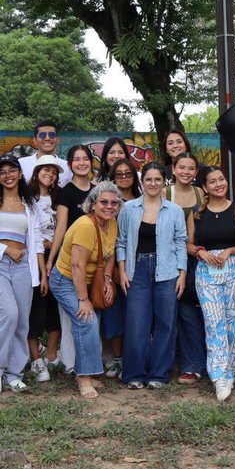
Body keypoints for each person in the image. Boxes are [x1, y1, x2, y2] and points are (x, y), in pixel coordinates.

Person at [0, 154, 48, 396]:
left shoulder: (30, 204)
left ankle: (14, 374)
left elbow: (36, 241)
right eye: (3, 171)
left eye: (12, 170)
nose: (8, 175)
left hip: (24, 267)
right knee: (8, 313)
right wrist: (5, 249)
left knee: (22, 320)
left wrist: (43, 273)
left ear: (20, 173)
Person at [117, 162, 187, 390]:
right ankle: (134, 374)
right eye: (148, 179)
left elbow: (180, 243)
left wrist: (182, 274)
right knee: (137, 323)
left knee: (166, 324)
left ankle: (159, 374)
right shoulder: (128, 208)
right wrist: (122, 270)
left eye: (158, 179)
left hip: (167, 270)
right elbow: (121, 241)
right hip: (136, 270)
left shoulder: (174, 210)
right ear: (142, 181)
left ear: (164, 181)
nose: (153, 183)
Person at [50, 182, 120, 399]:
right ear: (93, 204)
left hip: (90, 281)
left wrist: (108, 279)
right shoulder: (85, 225)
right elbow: (77, 265)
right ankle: (84, 377)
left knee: (91, 323)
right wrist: (83, 299)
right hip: (66, 280)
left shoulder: (111, 223)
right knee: (86, 320)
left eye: (114, 203)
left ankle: (86, 370)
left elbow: (109, 255)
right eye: (104, 202)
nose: (109, 206)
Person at [189, 165, 235, 402]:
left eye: (221, 179)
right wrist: (200, 253)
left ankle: (230, 373)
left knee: (234, 322)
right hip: (207, 271)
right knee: (214, 323)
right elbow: (189, 243)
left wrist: (229, 251)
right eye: (212, 181)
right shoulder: (196, 214)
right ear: (204, 187)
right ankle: (218, 376)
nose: (219, 184)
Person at [166, 152, 206, 384]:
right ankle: (170, 363)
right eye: (182, 167)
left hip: (194, 258)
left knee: (187, 308)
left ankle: (194, 363)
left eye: (191, 168)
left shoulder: (202, 193)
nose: (186, 172)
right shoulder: (164, 192)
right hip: (167, 258)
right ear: (173, 168)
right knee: (171, 311)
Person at [100, 158, 141, 379]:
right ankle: (117, 359)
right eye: (119, 174)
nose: (124, 177)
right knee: (113, 315)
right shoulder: (108, 202)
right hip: (112, 268)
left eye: (128, 173)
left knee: (135, 317)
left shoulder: (144, 201)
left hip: (138, 268)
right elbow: (111, 239)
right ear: (112, 178)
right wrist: (114, 269)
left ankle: (134, 358)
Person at [28, 160, 64, 383]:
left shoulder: (58, 198)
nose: (49, 174)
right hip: (33, 260)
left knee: (55, 307)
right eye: (45, 170)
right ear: (36, 172)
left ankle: (51, 355)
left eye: (53, 172)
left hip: (58, 258)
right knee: (34, 309)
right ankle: (35, 359)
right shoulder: (27, 198)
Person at [18, 119, 70, 187]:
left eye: (52, 135)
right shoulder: (21, 164)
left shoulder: (68, 167)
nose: (47, 138)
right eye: (42, 135)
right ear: (35, 140)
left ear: (57, 140)